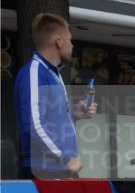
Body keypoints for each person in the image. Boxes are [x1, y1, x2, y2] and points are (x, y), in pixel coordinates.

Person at [14, 13, 97, 179]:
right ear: (59, 41)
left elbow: (49, 119)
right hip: (45, 170)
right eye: (70, 40)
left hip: (58, 169)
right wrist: (66, 159)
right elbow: (33, 125)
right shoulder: (34, 73)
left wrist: (74, 114)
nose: (72, 45)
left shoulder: (52, 73)